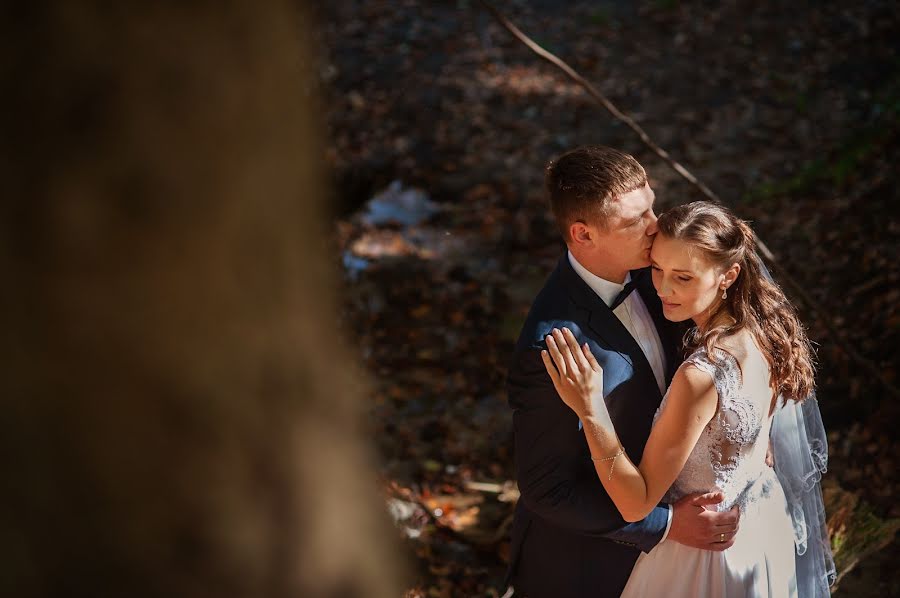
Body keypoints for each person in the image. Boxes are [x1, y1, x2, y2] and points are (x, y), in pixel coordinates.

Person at [541, 200, 834, 596]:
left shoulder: (701, 376)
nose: (662, 288)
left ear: (728, 275)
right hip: (761, 526)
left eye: (683, 277)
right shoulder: (765, 328)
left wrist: (591, 409)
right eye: (657, 269)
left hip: (705, 559)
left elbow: (637, 504)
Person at [505, 146, 742, 598]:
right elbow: (547, 490)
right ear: (583, 234)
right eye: (636, 220)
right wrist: (667, 524)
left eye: (652, 205)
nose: (656, 224)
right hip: (588, 569)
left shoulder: (664, 271)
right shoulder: (552, 344)